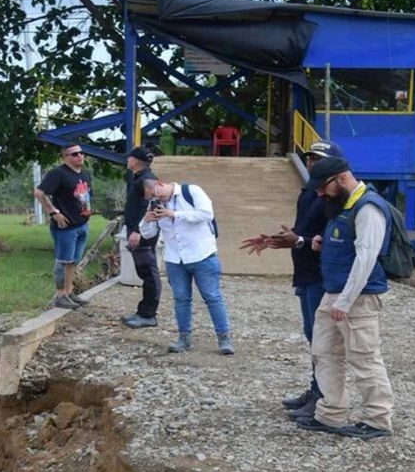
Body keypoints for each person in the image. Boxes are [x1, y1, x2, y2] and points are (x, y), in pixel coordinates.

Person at [239, 140, 342, 420]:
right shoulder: (308, 193)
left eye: (318, 159)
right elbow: (302, 232)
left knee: (323, 340)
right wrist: (276, 239)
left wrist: (298, 241)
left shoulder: (335, 198)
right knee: (312, 337)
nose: (311, 163)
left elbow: (330, 241)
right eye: (309, 158)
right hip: (305, 274)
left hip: (323, 276)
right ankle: (316, 390)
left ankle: (324, 398)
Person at [296, 156, 395, 440]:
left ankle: (377, 420)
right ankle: (331, 413)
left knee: (364, 358)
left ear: (341, 178)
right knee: (324, 351)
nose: (319, 193)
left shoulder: (369, 207)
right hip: (334, 292)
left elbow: (366, 257)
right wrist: (321, 243)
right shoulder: (343, 205)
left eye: (322, 187)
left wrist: (345, 301)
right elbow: (348, 244)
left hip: (358, 298)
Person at [139, 178, 234, 355]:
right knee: (181, 299)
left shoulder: (191, 192)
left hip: (202, 255)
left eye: (155, 194)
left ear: (160, 185)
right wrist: (147, 220)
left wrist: (174, 214)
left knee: (212, 297)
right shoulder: (155, 205)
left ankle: (224, 338)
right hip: (175, 259)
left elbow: (206, 214)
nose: (155, 199)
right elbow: (148, 233)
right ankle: (184, 338)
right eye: (150, 198)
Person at [33, 143, 93, 309]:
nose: (79, 156)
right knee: (63, 260)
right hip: (66, 227)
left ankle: (69, 291)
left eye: (81, 153)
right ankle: (60, 295)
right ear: (65, 157)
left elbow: (86, 195)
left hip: (82, 224)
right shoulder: (57, 174)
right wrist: (53, 212)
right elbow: (39, 192)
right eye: (74, 154)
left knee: (73, 261)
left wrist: (88, 212)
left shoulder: (85, 174)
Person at [121, 146, 161, 328]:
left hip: (143, 233)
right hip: (139, 230)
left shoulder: (147, 180)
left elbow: (152, 205)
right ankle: (143, 311)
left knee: (149, 272)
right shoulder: (142, 178)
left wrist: (137, 230)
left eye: (129, 158)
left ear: (134, 161)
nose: (127, 161)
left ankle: (148, 315)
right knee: (145, 271)